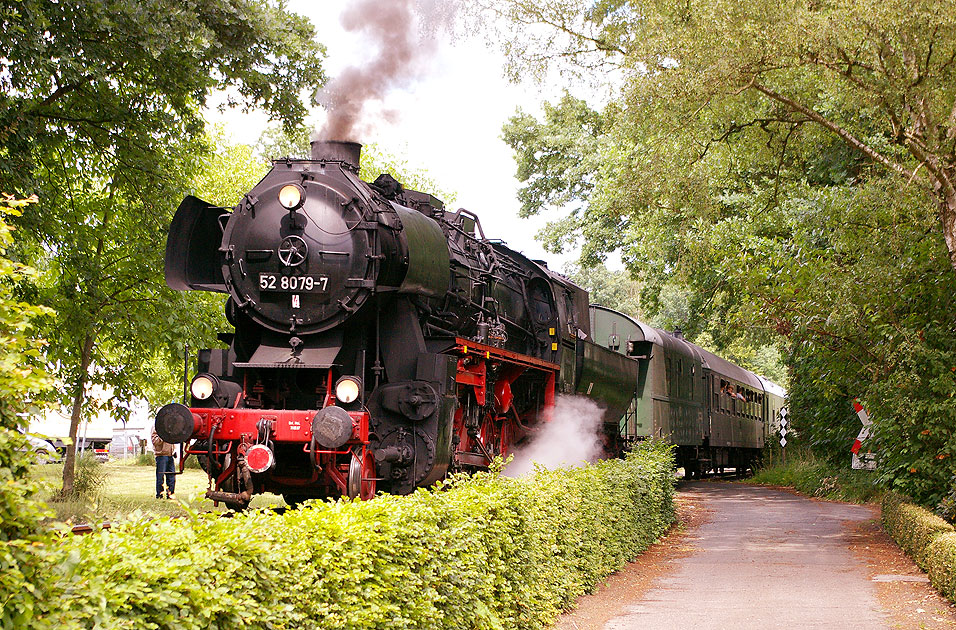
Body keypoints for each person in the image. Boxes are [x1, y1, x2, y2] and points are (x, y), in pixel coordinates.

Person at [151, 428, 176, 499]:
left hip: (170, 455)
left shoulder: (170, 425)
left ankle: (170, 494)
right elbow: (155, 441)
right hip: (161, 455)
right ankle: (159, 495)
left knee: (171, 476)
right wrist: (164, 435)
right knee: (160, 476)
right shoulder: (156, 427)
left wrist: (174, 450)